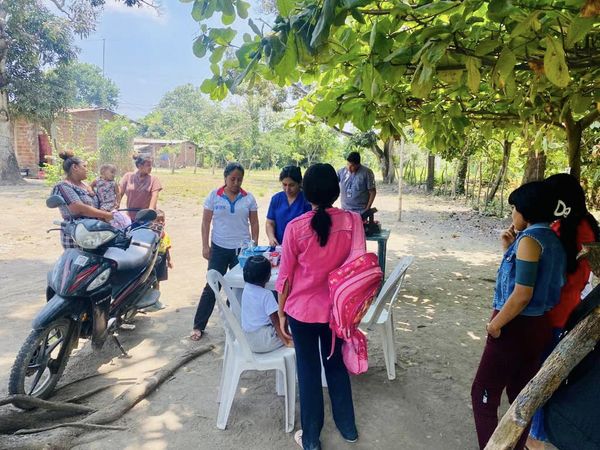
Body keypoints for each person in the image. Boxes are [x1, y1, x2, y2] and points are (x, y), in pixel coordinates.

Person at [471, 181, 567, 450]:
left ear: (527, 210)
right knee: (520, 396)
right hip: (538, 326)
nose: (512, 214)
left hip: (515, 325)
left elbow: (522, 294)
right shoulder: (552, 239)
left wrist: (495, 325)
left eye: (514, 208)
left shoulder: (529, 241)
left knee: (483, 394)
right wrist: (508, 250)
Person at [276, 163, 363, 450]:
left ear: (307, 192)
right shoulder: (353, 222)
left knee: (308, 371)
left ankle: (311, 439)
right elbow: (358, 265)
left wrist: (281, 313)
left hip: (301, 312)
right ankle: (348, 428)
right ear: (336, 192)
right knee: (336, 366)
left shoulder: (295, 227)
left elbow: (285, 278)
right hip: (337, 312)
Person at [527, 173, 600, 450]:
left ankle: (537, 437)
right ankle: (538, 433)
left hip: (554, 314)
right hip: (563, 310)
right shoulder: (579, 225)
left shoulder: (567, 230)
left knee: (542, 377)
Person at [191, 162, 259, 341]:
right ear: (225, 178)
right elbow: (205, 223)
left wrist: (253, 246)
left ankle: (233, 325)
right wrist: (205, 246)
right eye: (232, 179)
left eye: (239, 180)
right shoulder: (214, 196)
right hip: (219, 248)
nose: (236, 183)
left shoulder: (249, 198)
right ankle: (198, 326)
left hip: (241, 251)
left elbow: (254, 223)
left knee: (237, 288)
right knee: (212, 286)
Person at [51, 151, 114, 249]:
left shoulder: (85, 185)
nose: (87, 169)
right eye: (84, 166)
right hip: (77, 235)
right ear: (75, 167)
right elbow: (79, 208)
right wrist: (106, 215)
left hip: (94, 232)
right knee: (80, 258)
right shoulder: (63, 186)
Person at [241, 255, 290, 353]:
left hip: (248, 340)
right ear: (268, 276)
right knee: (291, 324)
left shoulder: (246, 288)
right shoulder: (266, 294)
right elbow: (276, 322)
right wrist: (286, 342)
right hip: (265, 341)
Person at [266, 166, 312, 247]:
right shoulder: (276, 199)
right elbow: (270, 223)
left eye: (291, 185)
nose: (287, 189)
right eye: (284, 185)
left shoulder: (307, 201)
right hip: (279, 246)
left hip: (300, 246)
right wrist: (271, 237)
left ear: (300, 183)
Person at [118, 154, 162, 220]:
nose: (150, 167)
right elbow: (120, 193)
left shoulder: (154, 180)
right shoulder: (127, 176)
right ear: (140, 166)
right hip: (130, 216)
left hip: (146, 217)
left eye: (151, 165)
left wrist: (151, 210)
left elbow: (155, 196)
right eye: (148, 165)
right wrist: (116, 206)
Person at [154, 209, 173, 290]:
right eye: (158, 220)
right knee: (150, 279)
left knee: (158, 280)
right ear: (153, 222)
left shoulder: (166, 236)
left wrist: (169, 260)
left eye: (162, 220)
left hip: (162, 260)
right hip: (153, 259)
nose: (161, 222)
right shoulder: (151, 235)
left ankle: (156, 294)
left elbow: (167, 250)